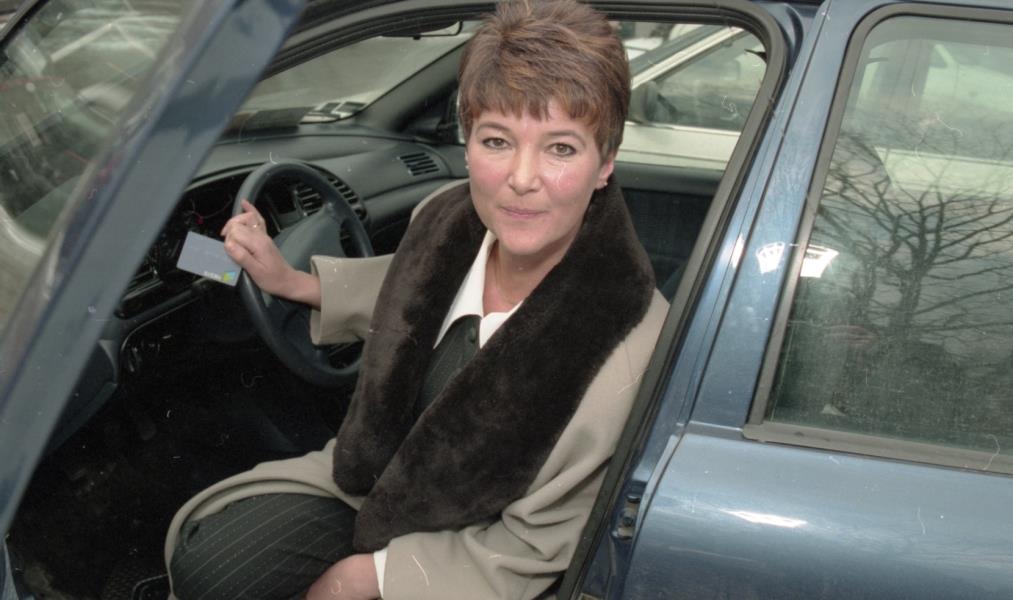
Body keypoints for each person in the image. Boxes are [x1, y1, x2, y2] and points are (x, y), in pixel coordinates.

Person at [164, 0, 668, 598]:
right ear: (467, 143)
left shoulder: (625, 349)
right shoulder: (444, 218)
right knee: (209, 567)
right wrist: (292, 283)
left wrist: (364, 579)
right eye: (497, 140)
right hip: (372, 482)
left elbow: (532, 550)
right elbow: (407, 287)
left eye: (561, 148)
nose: (522, 178)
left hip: (465, 551)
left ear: (604, 164)